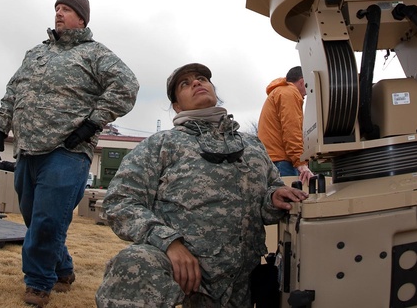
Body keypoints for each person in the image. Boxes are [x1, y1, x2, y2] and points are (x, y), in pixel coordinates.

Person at [95, 63, 308, 308]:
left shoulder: (252, 146)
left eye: (201, 79)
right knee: (134, 262)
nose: (197, 83)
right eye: (185, 84)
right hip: (183, 275)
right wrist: (169, 243)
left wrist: (274, 197)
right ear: (177, 106)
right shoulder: (162, 144)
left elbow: (269, 196)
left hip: (239, 282)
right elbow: (119, 201)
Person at [0, 0, 139, 307]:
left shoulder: (95, 54)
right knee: (35, 217)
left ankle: (38, 284)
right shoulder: (35, 53)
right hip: (28, 149)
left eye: (66, 9)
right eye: (57, 8)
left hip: (67, 150)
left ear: (81, 19)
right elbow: (12, 90)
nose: (59, 13)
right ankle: (63, 268)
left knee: (46, 220)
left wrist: (92, 123)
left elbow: (127, 85)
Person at [257, 66, 315, 184]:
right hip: (282, 162)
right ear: (302, 82)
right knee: (291, 200)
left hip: (274, 160)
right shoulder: (289, 93)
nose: (307, 93)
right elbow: (291, 129)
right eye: (308, 87)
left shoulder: (279, 92)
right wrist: (300, 162)